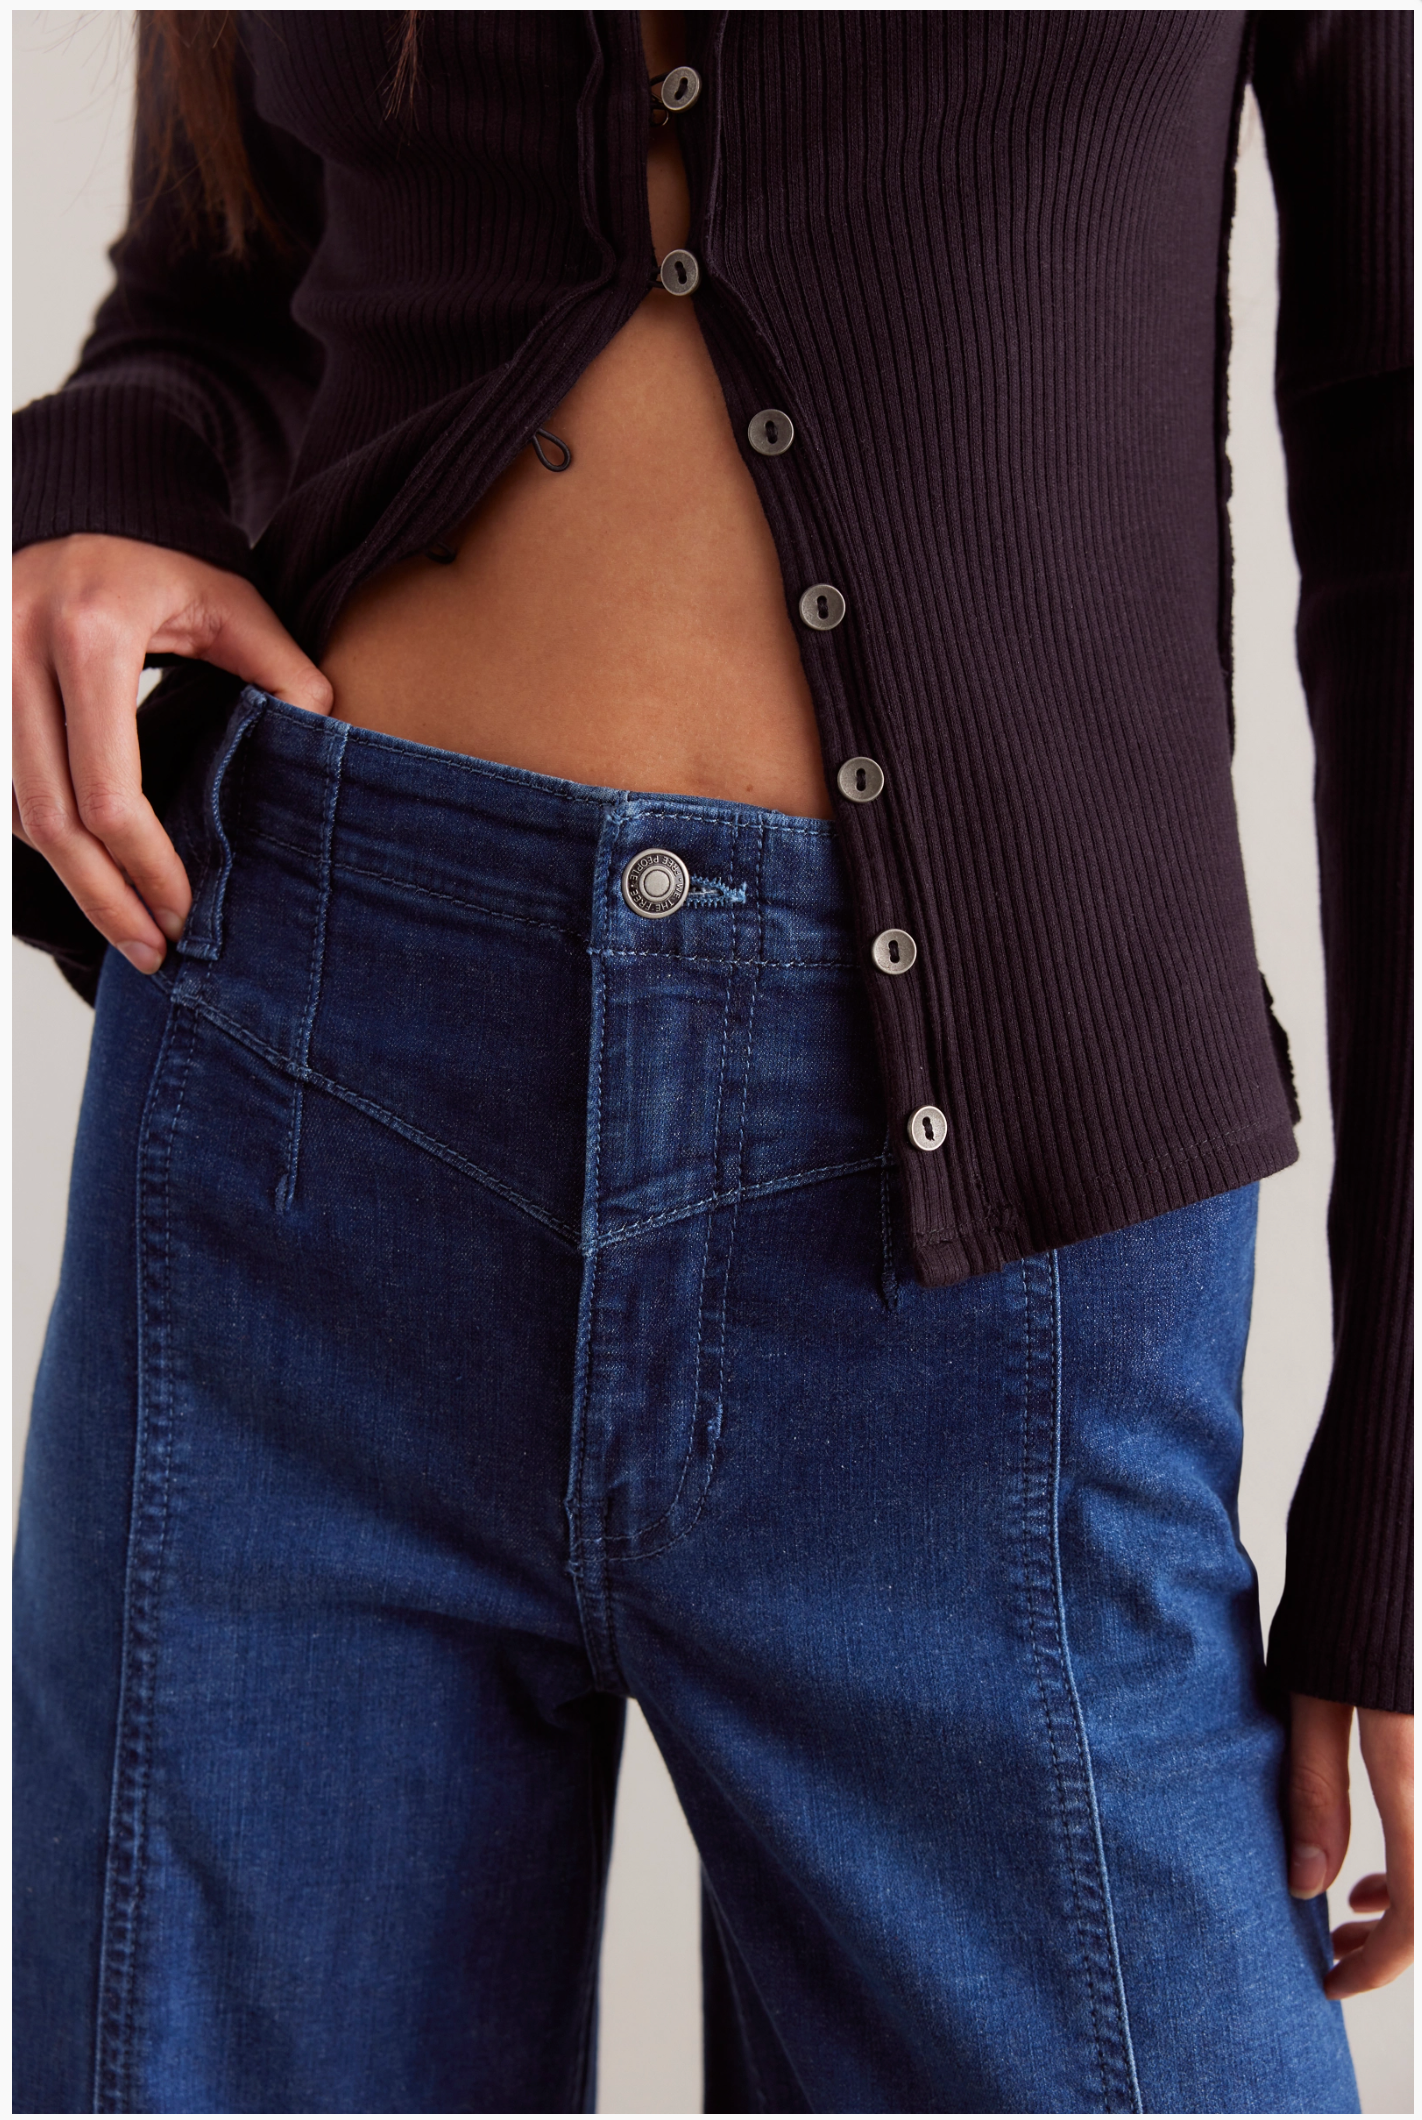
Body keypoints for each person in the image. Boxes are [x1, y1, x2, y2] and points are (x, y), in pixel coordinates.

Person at [11, 12, 1411, 2114]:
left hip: (995, 1227)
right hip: (304, 1127)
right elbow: (220, 275)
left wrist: (1400, 1495)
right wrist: (95, 494)